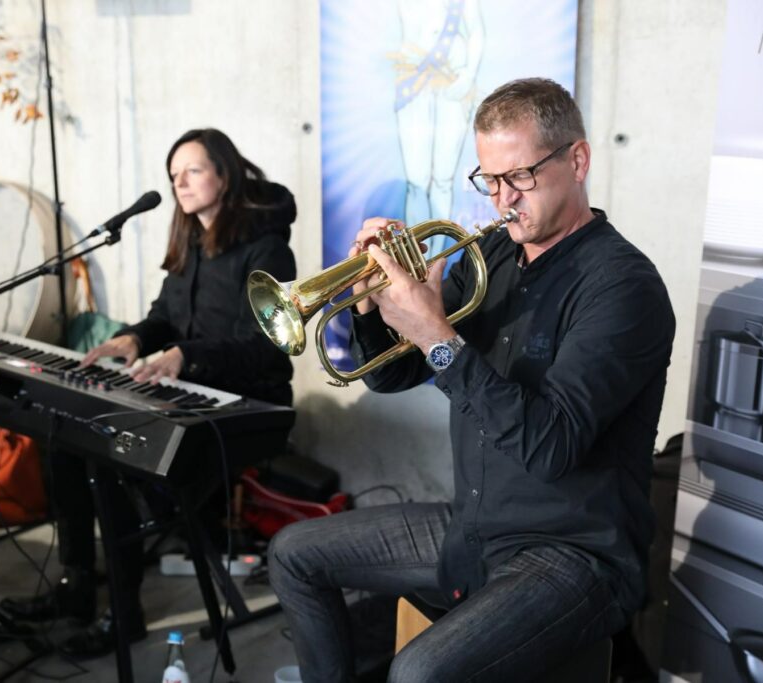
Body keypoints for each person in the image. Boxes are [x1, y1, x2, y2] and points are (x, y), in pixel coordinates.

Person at [268, 78, 675, 682]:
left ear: (578, 161)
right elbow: (395, 373)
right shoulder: (495, 256)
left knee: (417, 672)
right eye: (489, 179)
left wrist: (437, 334)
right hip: (478, 525)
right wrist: (368, 302)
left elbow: (551, 445)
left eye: (521, 176)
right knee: (293, 555)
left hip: (574, 553)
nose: (503, 198)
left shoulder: (622, 287)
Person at [0, 128, 297, 658]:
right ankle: (75, 587)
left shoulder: (268, 248)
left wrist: (186, 354)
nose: (180, 183)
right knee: (66, 438)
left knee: (113, 457)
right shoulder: (191, 242)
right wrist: (136, 338)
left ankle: (125, 615)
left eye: (193, 171)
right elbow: (165, 316)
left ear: (225, 174)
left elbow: (266, 348)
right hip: (188, 390)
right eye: (173, 175)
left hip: (248, 403)